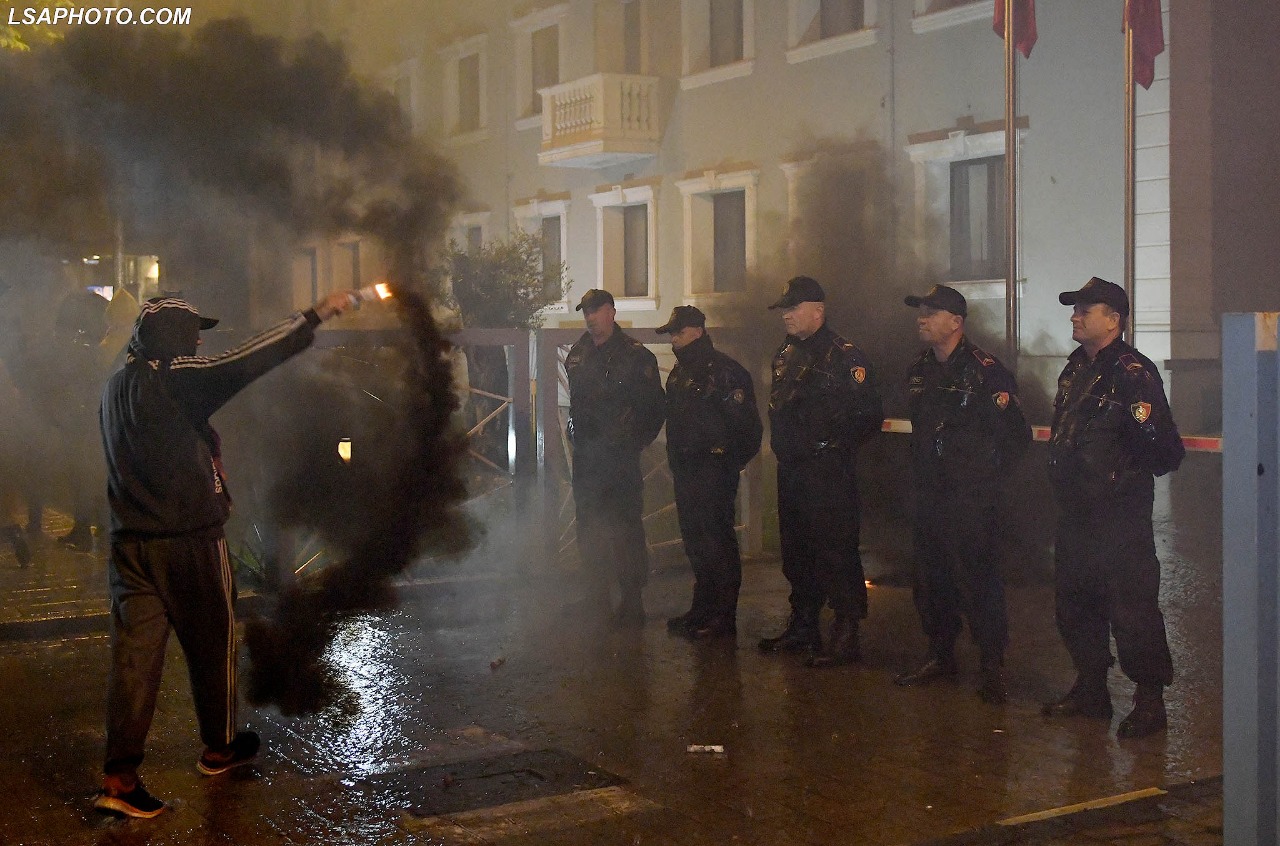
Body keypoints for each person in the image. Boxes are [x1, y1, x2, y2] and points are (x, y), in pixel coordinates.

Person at [94, 291, 357, 818]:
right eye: (193, 332)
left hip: (130, 544)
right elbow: (246, 361)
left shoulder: (116, 386)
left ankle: (119, 779)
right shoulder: (174, 377)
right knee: (213, 647)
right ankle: (219, 748)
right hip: (188, 541)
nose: (199, 341)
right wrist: (313, 315)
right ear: (172, 337)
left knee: (134, 663)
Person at [1042, 276, 1185, 738]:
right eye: (1074, 308)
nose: (1074, 317)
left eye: (1085, 309)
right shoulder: (1074, 370)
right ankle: (1091, 691)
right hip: (1076, 512)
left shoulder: (1133, 372)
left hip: (1118, 517)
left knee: (1132, 608)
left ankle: (1149, 702)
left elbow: (1163, 449)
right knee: (1075, 603)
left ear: (1114, 319)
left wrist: (1119, 476)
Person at [894, 285, 1030, 703]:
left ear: (956, 322)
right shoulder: (919, 369)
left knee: (977, 578)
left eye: (931, 313)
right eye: (920, 311)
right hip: (930, 494)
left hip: (971, 497)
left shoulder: (985, 371)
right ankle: (941, 654)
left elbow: (1017, 436)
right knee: (931, 578)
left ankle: (992, 665)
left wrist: (982, 478)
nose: (921, 319)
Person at [758, 276, 883, 667]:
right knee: (796, 551)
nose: (787, 316)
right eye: (785, 310)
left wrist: (831, 446)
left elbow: (868, 417)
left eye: (794, 309)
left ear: (818, 310)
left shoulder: (844, 356)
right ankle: (804, 625)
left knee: (835, 550)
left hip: (827, 472)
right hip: (792, 469)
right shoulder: (785, 353)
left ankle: (846, 633)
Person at [656, 306, 762, 640]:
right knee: (696, 541)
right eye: (672, 334)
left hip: (714, 470)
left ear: (698, 331)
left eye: (679, 332)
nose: (674, 339)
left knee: (717, 541)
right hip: (686, 469)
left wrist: (726, 462)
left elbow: (748, 428)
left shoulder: (725, 373)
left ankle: (723, 614)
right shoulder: (679, 373)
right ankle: (702, 607)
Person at [564, 289, 665, 626]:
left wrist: (633, 442)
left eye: (596, 311)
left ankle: (632, 598)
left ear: (611, 312)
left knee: (625, 527)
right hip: (588, 459)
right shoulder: (578, 354)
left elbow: (654, 408)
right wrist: (573, 430)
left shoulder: (636, 356)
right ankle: (596, 595)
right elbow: (576, 403)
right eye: (586, 313)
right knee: (589, 524)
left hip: (620, 459)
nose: (591, 318)